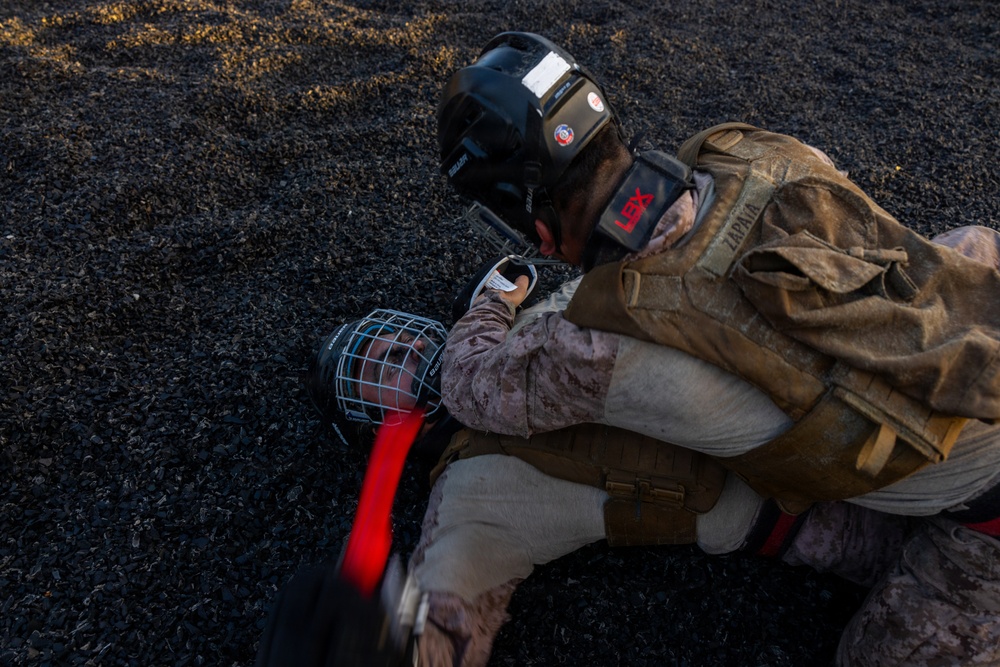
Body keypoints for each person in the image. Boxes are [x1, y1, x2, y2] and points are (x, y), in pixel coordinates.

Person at [430, 31, 1000, 666]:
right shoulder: (751, 148)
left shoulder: (592, 344)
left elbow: (468, 385)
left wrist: (492, 303)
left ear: (537, 230)